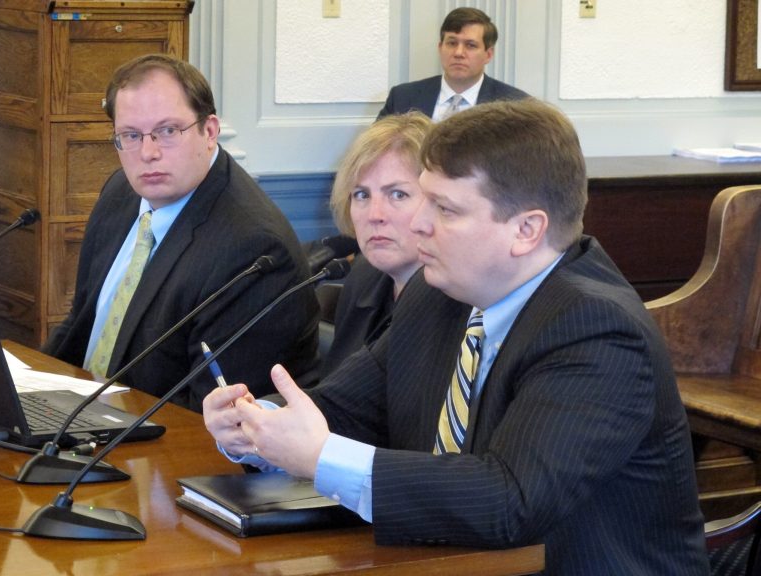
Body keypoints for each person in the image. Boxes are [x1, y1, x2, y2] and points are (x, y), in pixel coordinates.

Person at [203, 99, 709, 574]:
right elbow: (349, 410)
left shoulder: (596, 329)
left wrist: (319, 456)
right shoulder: (438, 293)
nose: (418, 225)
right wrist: (257, 425)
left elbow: (510, 501)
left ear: (526, 230)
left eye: (445, 209)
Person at [44, 54, 319, 413]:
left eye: (168, 131)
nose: (148, 152)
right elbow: (82, 324)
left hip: (162, 447)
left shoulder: (254, 250)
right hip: (82, 422)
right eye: (130, 135)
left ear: (209, 131)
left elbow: (214, 416)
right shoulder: (120, 194)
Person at [322, 112, 431, 375]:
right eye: (361, 195)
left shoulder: (461, 303)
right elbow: (335, 394)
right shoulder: (363, 277)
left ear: (440, 202)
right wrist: (259, 408)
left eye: (398, 194)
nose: (375, 215)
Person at [376, 7, 528, 121]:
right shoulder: (402, 97)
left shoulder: (516, 106)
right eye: (452, 43)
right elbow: (375, 152)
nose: (458, 53)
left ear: (488, 54)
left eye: (470, 45)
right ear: (440, 48)